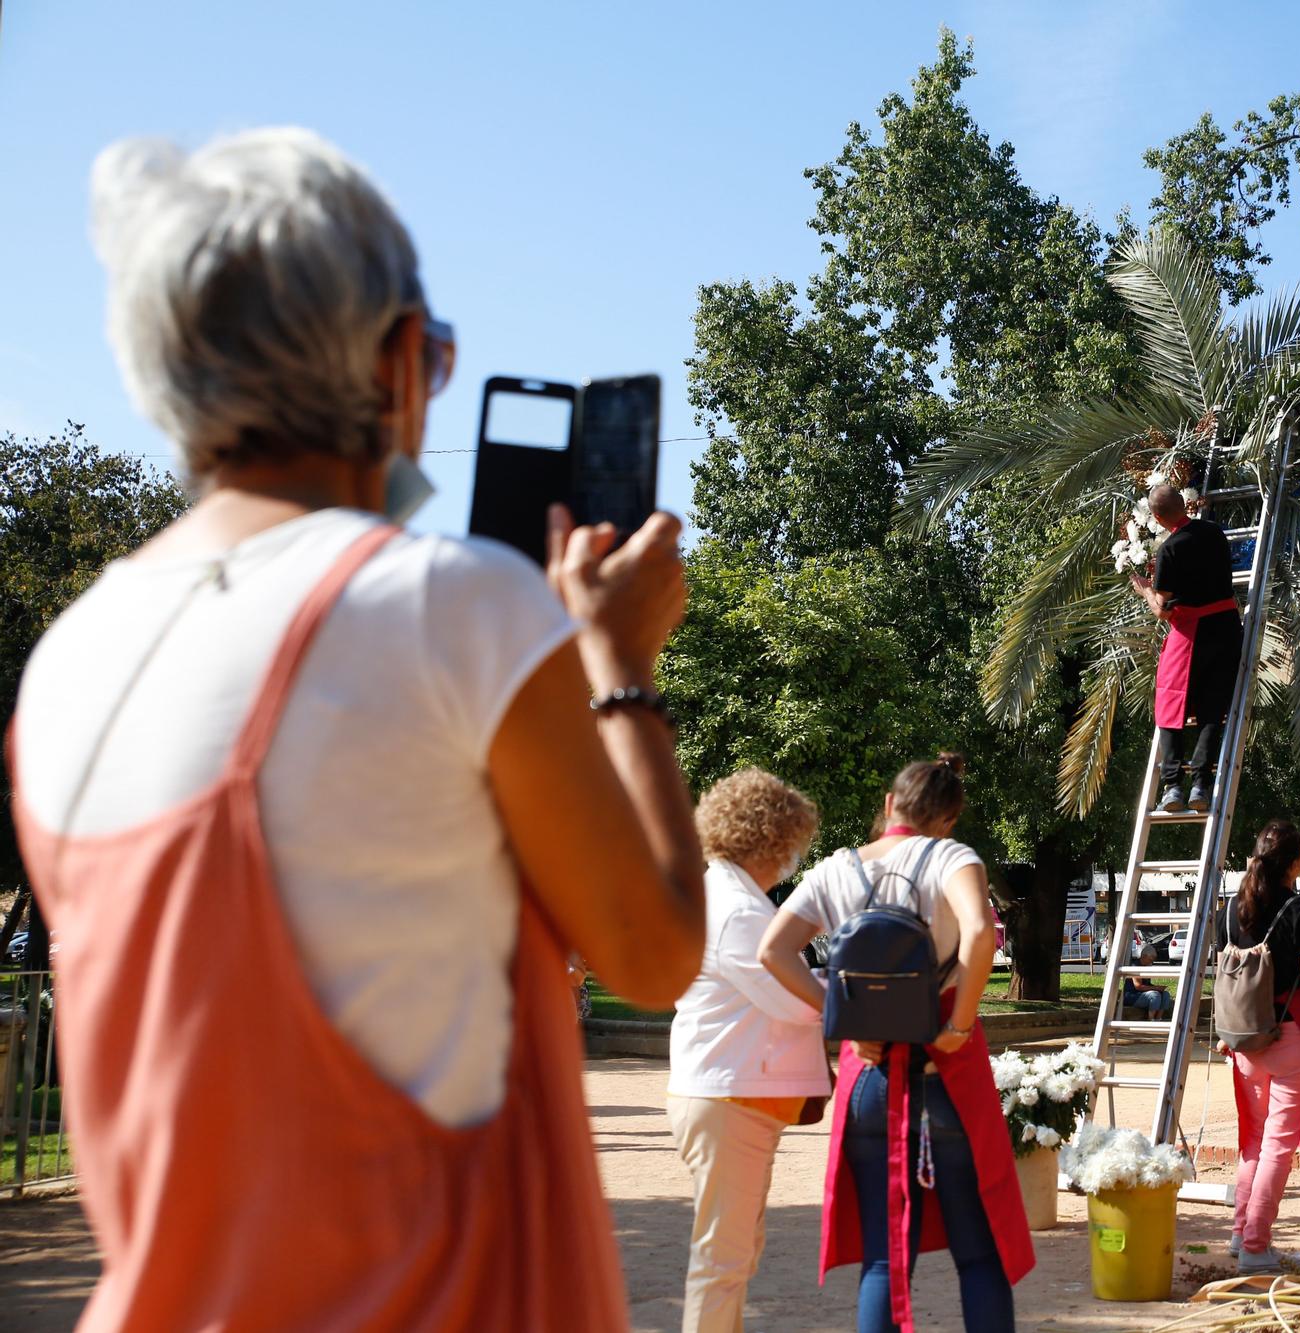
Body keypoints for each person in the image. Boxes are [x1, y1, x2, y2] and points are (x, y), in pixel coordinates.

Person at [9, 128, 708, 1329]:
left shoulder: (68, 658)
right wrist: (617, 662)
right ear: (395, 362)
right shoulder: (442, 603)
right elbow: (651, 952)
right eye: (433, 354)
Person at [757, 754, 1032, 1333]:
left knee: (884, 1258)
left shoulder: (836, 869)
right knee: (979, 1255)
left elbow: (773, 951)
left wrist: (844, 1014)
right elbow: (980, 933)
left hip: (871, 1071)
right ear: (949, 820)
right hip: (946, 1068)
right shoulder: (954, 858)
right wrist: (958, 1022)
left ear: (888, 806)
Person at [669, 769, 828, 1333]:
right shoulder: (738, 911)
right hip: (729, 1095)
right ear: (772, 840)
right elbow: (798, 1003)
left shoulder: (722, 896)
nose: (794, 858)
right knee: (723, 1260)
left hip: (731, 1094)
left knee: (733, 1254)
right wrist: (850, 994)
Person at [1220, 820, 1300, 1274]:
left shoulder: (1233, 909)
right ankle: (1257, 1245)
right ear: (1296, 864)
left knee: (1253, 1141)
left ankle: (1241, 1234)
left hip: (1244, 1040)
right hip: (1291, 1036)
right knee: (1278, 1145)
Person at [1128, 484, 1242, 814]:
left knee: (1169, 703)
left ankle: (1174, 786)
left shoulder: (1170, 550)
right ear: (1184, 504)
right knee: (1212, 709)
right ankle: (1202, 786)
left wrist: (1145, 590)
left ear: (1157, 517)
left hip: (1191, 634)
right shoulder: (1215, 534)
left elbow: (1163, 609)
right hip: (1226, 630)